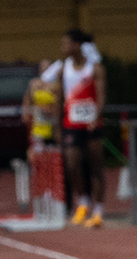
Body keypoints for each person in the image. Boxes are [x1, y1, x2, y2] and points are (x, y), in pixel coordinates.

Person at [42, 29, 106, 227]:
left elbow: (101, 96)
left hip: (91, 123)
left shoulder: (94, 69)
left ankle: (98, 210)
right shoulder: (64, 69)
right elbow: (60, 97)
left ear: (76, 45)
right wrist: (57, 125)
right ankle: (83, 202)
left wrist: (96, 116)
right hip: (71, 122)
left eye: (65, 44)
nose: (62, 47)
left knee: (95, 166)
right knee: (71, 163)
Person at [22, 59, 59, 151]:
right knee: (38, 148)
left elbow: (61, 100)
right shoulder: (34, 83)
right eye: (43, 68)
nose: (45, 70)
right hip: (39, 121)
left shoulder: (57, 84)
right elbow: (27, 100)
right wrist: (25, 114)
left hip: (54, 120)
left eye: (47, 68)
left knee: (56, 147)